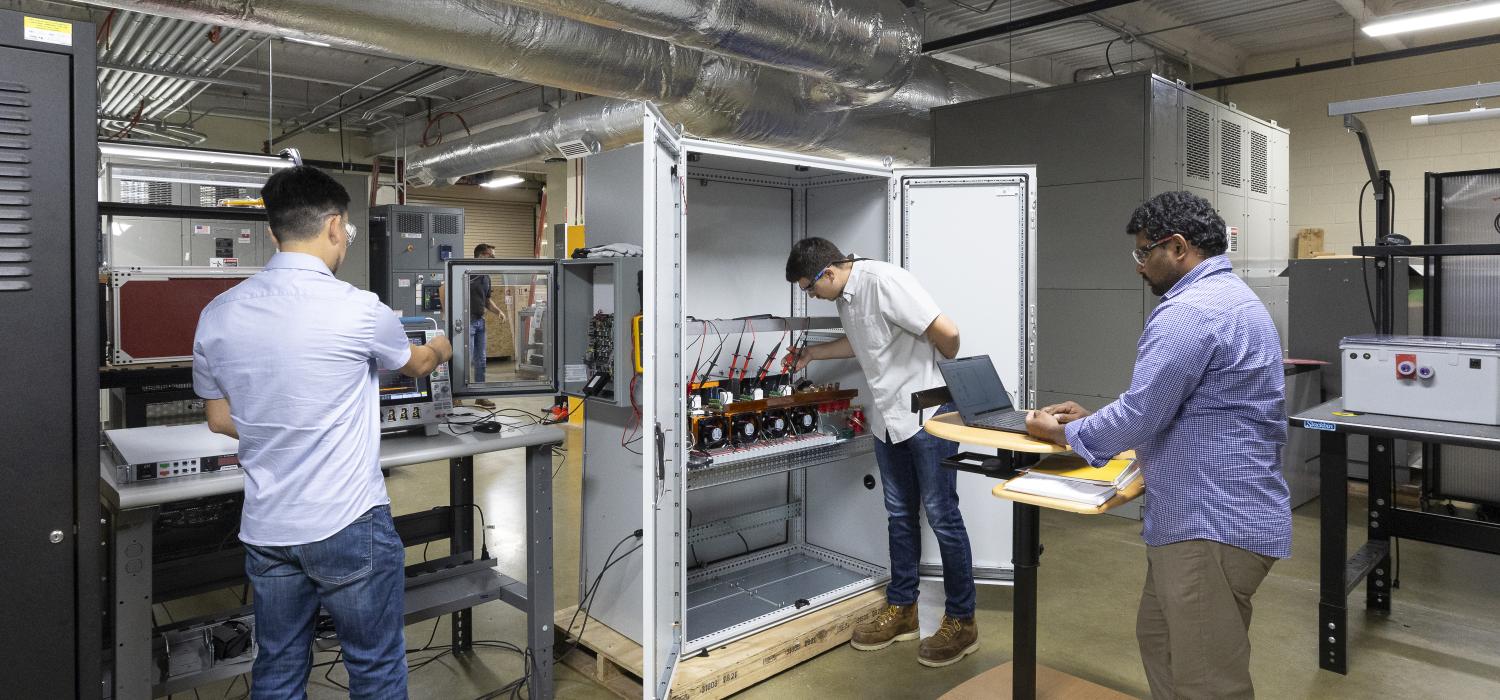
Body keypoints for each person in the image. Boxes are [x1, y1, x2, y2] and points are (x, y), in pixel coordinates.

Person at [193, 166, 452, 699]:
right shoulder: (357, 307)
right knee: (374, 667)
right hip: (348, 521)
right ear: (335, 227)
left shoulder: (217, 314)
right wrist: (444, 344)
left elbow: (219, 419)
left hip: (268, 529)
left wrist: (282, 428)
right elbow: (416, 363)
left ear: (272, 232)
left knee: (278, 667)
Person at [1025, 191, 1291, 700]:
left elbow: (1142, 413)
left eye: (1144, 253)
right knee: (1161, 637)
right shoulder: (1229, 297)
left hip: (1209, 524)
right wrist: (1096, 422)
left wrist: (1060, 434)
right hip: (1210, 517)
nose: (1139, 267)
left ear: (1177, 247)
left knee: (1208, 680)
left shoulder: (1190, 312)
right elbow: (1170, 404)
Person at [783, 238, 978, 668]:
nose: (812, 296)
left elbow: (948, 333)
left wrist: (940, 371)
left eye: (810, 288)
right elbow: (865, 343)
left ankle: (962, 622)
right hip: (889, 420)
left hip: (928, 415)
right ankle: (903, 609)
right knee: (900, 515)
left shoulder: (886, 281)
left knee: (943, 515)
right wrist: (814, 352)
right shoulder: (846, 298)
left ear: (828, 273)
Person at [466, 243, 507, 409]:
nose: (493, 259)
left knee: (481, 360)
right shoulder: (467, 273)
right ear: (481, 255)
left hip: (479, 321)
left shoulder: (486, 277)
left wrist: (498, 312)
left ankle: (480, 395)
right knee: (464, 359)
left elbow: (487, 300)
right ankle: (456, 395)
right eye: (491, 256)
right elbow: (444, 288)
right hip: (466, 322)